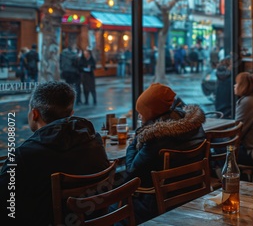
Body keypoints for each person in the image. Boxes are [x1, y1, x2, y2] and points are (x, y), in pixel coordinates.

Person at [0, 81, 109, 225]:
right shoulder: (93, 140)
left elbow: (6, 212)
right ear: (71, 113)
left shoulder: (22, 158)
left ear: (34, 114)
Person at [125, 83, 206, 223]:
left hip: (157, 205)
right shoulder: (194, 126)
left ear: (152, 113)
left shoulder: (155, 137)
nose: (139, 115)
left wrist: (135, 140)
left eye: (141, 112)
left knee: (111, 207)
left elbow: (132, 170)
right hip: (193, 195)